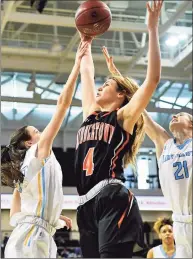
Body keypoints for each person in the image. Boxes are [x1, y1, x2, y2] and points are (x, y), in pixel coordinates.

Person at [75, 1, 163, 258]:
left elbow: (153, 79)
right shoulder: (90, 114)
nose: (100, 87)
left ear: (122, 94)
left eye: (107, 83)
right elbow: (86, 72)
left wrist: (152, 28)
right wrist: (86, 40)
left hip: (111, 196)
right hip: (84, 203)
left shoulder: (123, 117)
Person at [1, 41, 89, 258]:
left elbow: (16, 213)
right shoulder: (38, 152)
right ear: (29, 143)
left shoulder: (24, 170)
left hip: (30, 235)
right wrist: (77, 64)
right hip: (31, 238)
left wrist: (53, 219)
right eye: (37, 131)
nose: (43, 134)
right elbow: (62, 105)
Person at [143, 110, 192, 258]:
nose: (174, 116)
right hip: (179, 221)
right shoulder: (165, 144)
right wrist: (131, 96)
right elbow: (144, 117)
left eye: (180, 115)